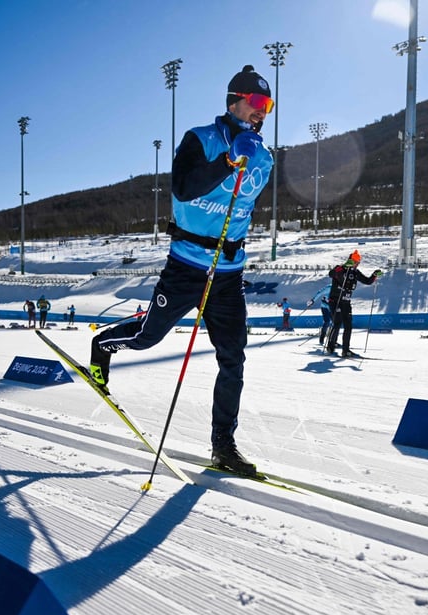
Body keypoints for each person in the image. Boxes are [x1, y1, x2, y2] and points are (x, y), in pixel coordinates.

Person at [90, 64, 275, 476]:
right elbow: (184, 189)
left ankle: (223, 445)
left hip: (229, 272)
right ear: (234, 101)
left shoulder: (265, 157)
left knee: (233, 357)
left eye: (269, 105)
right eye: (257, 103)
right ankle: (102, 347)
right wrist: (228, 160)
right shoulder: (200, 139)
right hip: (187, 266)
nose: (263, 112)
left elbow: (243, 206)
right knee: (147, 337)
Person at [325, 250, 381, 357]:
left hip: (346, 302)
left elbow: (367, 281)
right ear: (350, 261)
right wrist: (344, 267)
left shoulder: (355, 273)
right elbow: (331, 274)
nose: (357, 264)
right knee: (337, 322)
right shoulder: (340, 268)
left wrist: (374, 275)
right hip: (335, 301)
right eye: (355, 262)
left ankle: (346, 350)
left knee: (348, 325)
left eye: (358, 262)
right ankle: (330, 346)